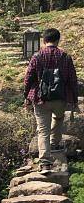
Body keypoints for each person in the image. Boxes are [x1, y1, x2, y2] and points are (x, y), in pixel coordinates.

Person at [24, 27, 79, 171]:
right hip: (60, 98)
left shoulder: (37, 56)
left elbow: (28, 78)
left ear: (44, 40)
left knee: (43, 130)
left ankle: (45, 163)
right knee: (59, 118)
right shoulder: (65, 57)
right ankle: (54, 144)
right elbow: (73, 79)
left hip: (40, 98)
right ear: (58, 40)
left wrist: (27, 97)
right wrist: (74, 100)